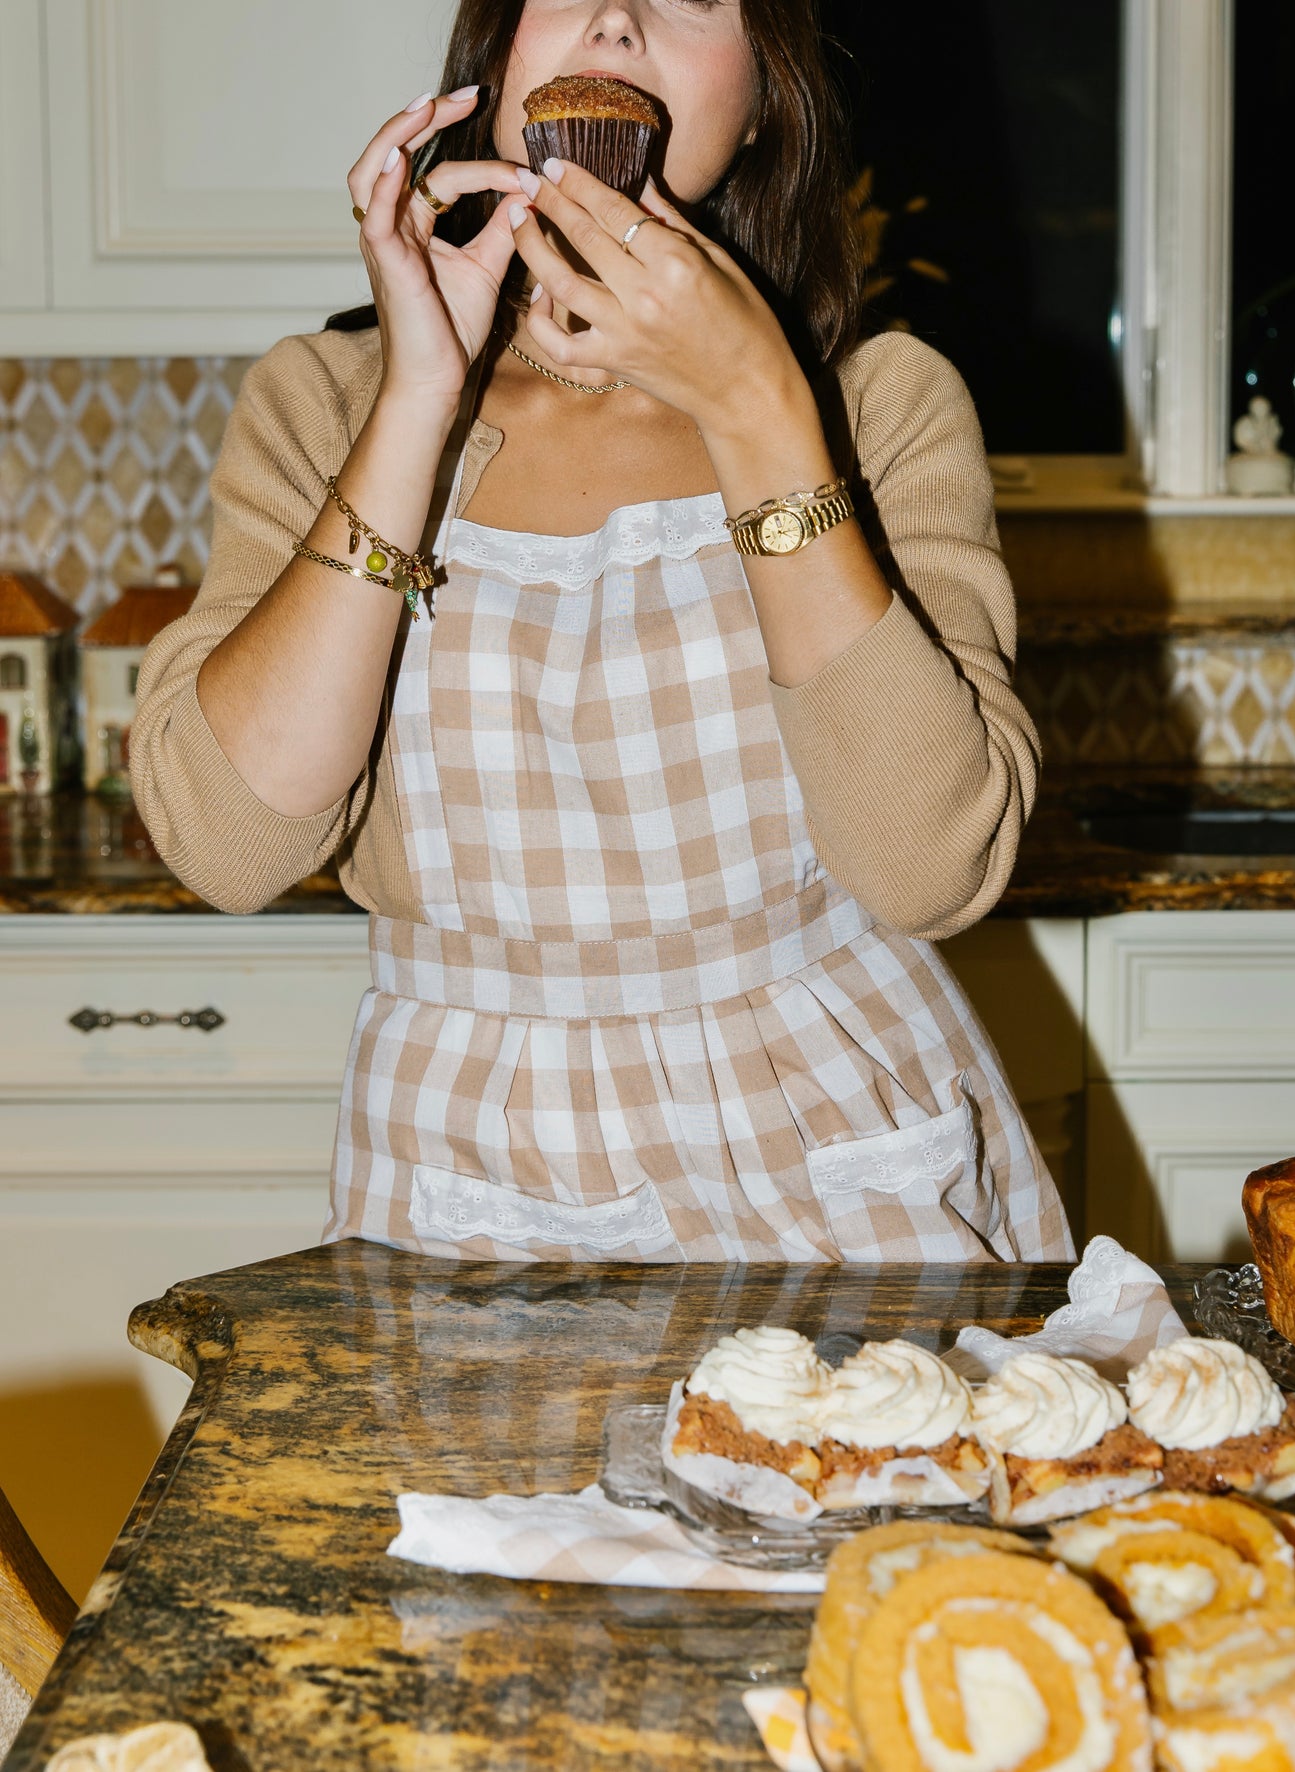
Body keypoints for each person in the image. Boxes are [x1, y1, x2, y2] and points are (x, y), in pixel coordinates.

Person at [131, 0, 1072, 1265]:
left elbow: (926, 867)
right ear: (496, 63)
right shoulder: (323, 401)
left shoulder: (874, 404)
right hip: (467, 1159)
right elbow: (227, 843)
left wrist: (755, 407)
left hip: (839, 1138)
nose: (616, 20)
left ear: (758, 108)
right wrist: (419, 393)